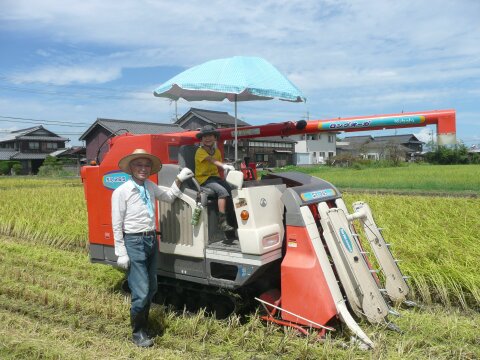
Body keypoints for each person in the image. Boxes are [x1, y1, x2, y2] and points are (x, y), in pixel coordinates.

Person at [111, 148, 193, 347]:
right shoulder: (121, 192)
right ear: (131, 167)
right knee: (141, 290)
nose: (143, 168)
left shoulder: (150, 186)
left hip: (150, 241)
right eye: (139, 165)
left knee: (152, 287)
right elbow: (116, 223)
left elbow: (169, 196)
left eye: (147, 165)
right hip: (134, 242)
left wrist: (179, 180)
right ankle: (138, 332)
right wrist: (121, 252)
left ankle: (144, 323)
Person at [194, 125, 235, 232]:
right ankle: (222, 222)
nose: (207, 138)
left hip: (215, 178)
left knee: (232, 191)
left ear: (215, 138)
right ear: (201, 139)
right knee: (222, 192)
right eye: (204, 136)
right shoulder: (200, 151)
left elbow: (218, 164)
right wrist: (224, 165)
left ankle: (233, 220)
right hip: (204, 180)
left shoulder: (216, 151)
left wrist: (227, 168)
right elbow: (211, 160)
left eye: (210, 136)